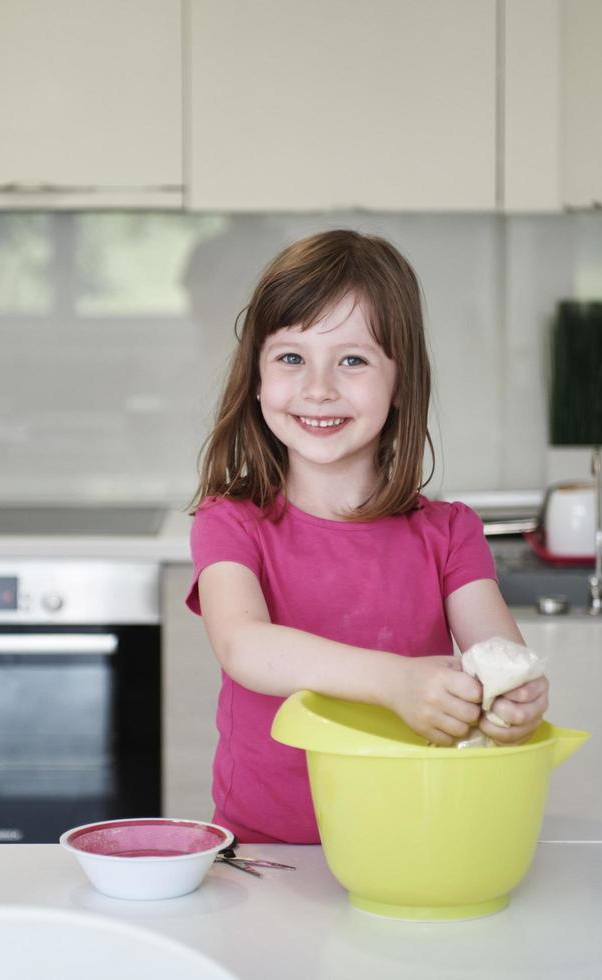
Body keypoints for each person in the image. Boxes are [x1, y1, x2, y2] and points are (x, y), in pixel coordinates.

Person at [185, 229, 550, 845]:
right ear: (256, 378)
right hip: (270, 855)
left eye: (352, 360)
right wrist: (394, 682)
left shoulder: (451, 533)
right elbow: (245, 646)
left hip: (415, 843)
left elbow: (498, 657)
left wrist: (511, 700)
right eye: (291, 358)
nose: (318, 387)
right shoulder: (231, 522)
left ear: (402, 383)